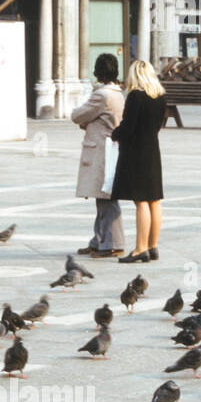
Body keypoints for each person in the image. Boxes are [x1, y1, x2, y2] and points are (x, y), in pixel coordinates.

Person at [71, 53, 126, 258]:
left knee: (105, 198)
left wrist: (87, 122)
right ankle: (100, 240)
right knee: (104, 197)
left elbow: (77, 115)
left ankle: (108, 243)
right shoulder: (118, 93)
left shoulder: (101, 95)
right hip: (110, 148)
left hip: (101, 151)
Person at [111, 59, 166, 263]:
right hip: (153, 149)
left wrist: (115, 134)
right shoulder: (160, 95)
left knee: (141, 200)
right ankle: (152, 246)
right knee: (154, 200)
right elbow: (159, 124)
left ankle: (140, 248)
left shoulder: (136, 96)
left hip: (136, 152)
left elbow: (128, 127)